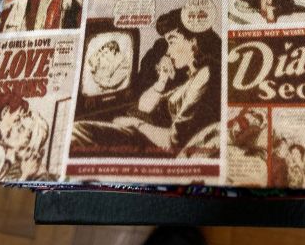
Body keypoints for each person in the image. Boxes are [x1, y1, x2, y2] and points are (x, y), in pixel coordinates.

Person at [71, 9, 221, 156]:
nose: (168, 52)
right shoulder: (192, 78)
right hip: (146, 133)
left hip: (154, 143)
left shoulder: (204, 76)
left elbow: (173, 141)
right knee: (78, 131)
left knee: (78, 133)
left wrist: (135, 123)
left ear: (193, 41)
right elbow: (144, 107)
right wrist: (162, 79)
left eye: (172, 42)